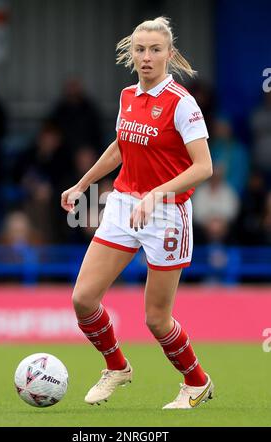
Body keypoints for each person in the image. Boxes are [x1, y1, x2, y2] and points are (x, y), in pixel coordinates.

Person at [61, 17, 214, 410]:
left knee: (157, 320)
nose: (147, 57)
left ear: (169, 54)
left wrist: (157, 195)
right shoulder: (128, 95)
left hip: (166, 213)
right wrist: (82, 185)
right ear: (132, 54)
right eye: (140, 50)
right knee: (83, 299)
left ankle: (196, 382)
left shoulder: (182, 103)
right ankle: (117, 367)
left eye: (155, 50)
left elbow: (203, 167)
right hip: (124, 203)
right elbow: (119, 147)